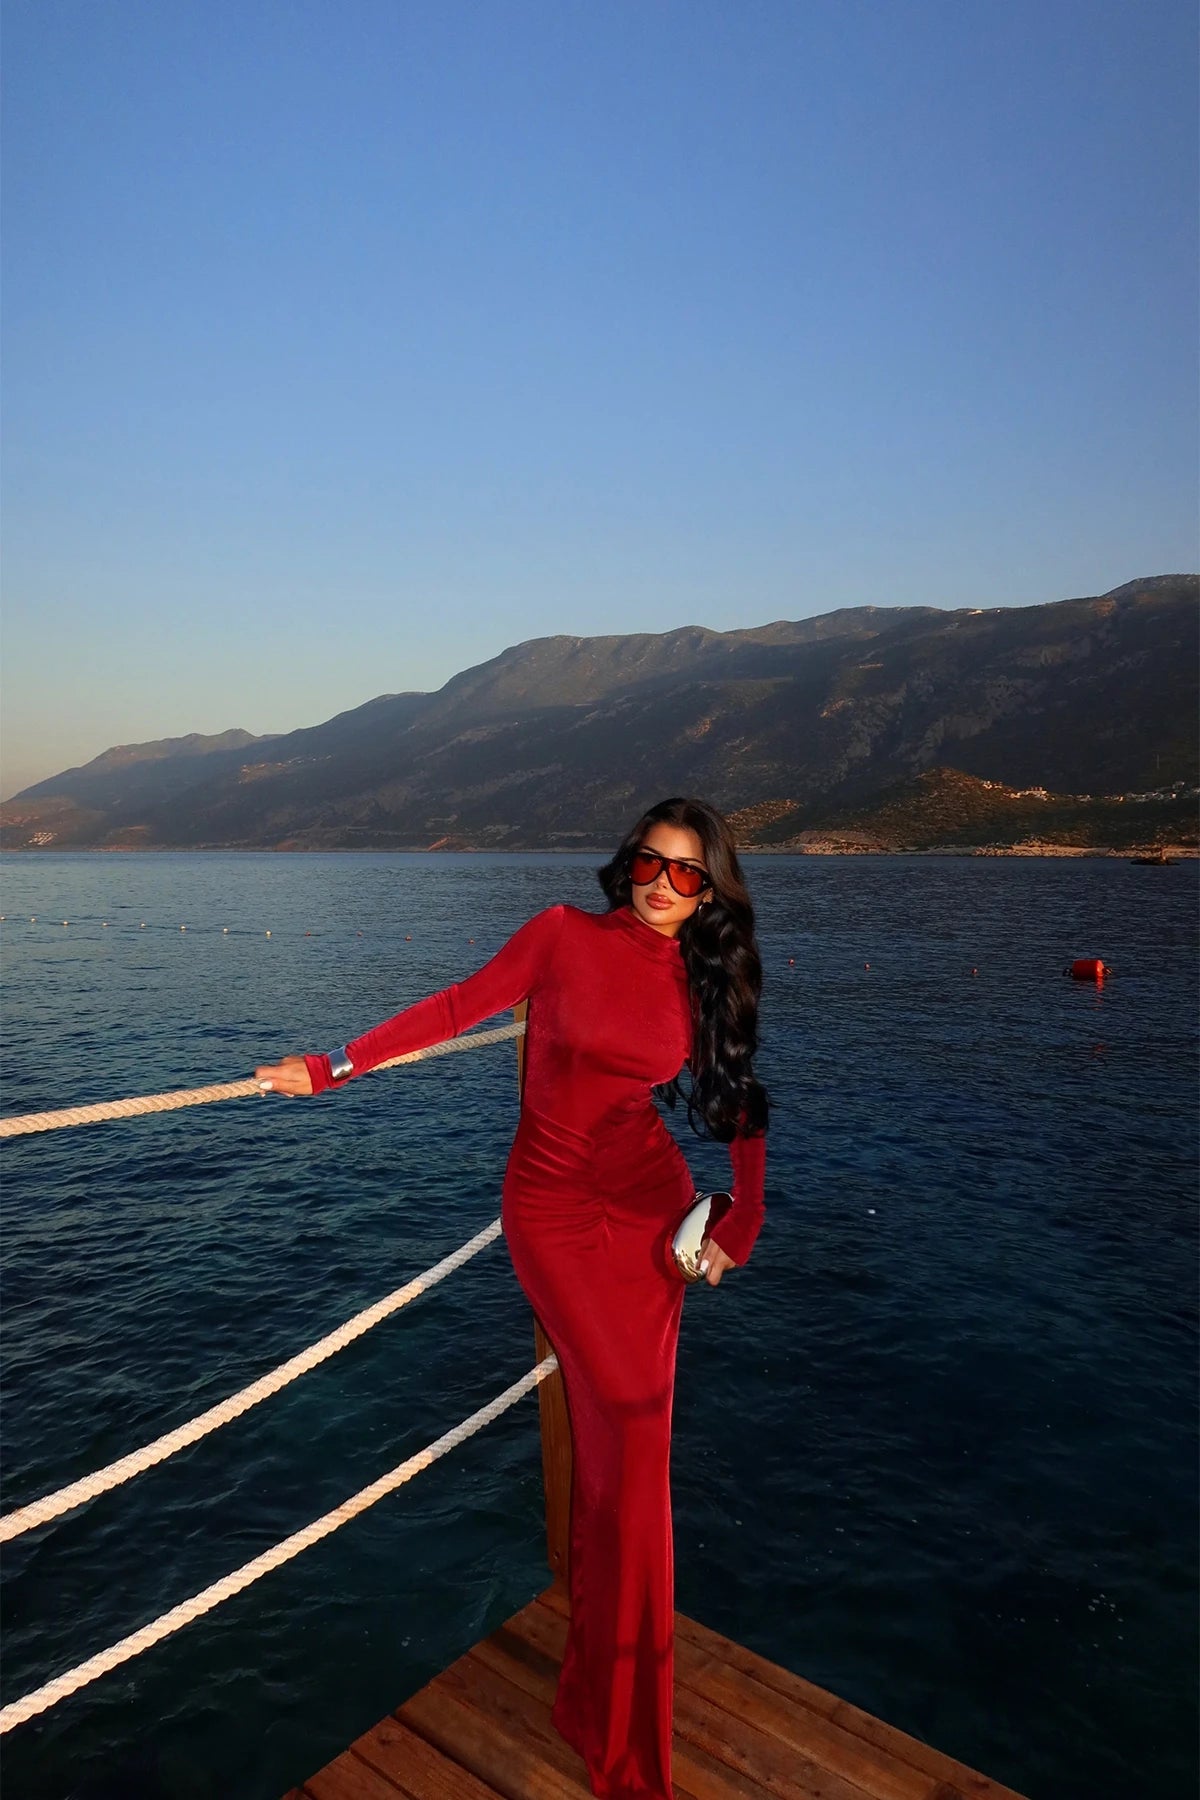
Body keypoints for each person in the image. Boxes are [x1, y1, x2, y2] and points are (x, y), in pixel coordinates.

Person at [254, 795, 769, 1800]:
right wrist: (331, 1067)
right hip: (555, 1217)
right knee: (628, 1451)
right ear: (626, 864)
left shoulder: (703, 976)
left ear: (710, 892)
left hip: (649, 1214)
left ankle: (605, 1703)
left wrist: (742, 1219)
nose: (663, 886)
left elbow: (740, 1100)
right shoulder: (560, 935)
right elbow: (459, 1007)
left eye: (687, 874)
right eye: (649, 864)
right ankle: (614, 1724)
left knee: (632, 1463)